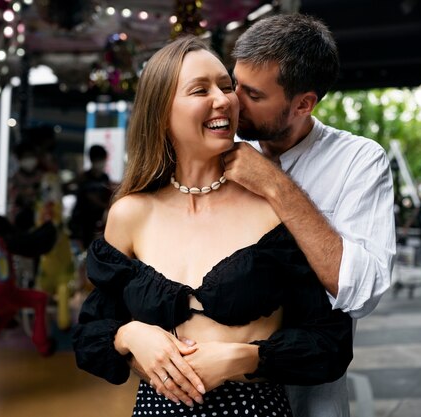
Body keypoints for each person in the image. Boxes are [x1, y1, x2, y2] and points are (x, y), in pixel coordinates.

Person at [72, 35, 354, 416]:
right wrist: (130, 335)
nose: (223, 100)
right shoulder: (130, 213)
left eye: (226, 86)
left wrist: (241, 358)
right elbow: (90, 333)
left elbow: (329, 344)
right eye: (200, 90)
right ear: (161, 111)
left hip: (252, 408)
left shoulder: (272, 209)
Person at [220, 13, 396, 417]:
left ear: (303, 104)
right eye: (235, 86)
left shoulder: (359, 160)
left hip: (311, 398)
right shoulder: (214, 147)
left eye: (255, 96)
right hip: (217, 391)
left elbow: (362, 291)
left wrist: (275, 185)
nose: (233, 103)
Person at [67, 144, 113, 249]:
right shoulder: (84, 177)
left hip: (98, 222)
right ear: (92, 160)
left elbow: (108, 192)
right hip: (82, 222)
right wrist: (106, 206)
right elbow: (90, 197)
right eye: (97, 159)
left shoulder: (104, 177)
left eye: (102, 159)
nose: (100, 163)